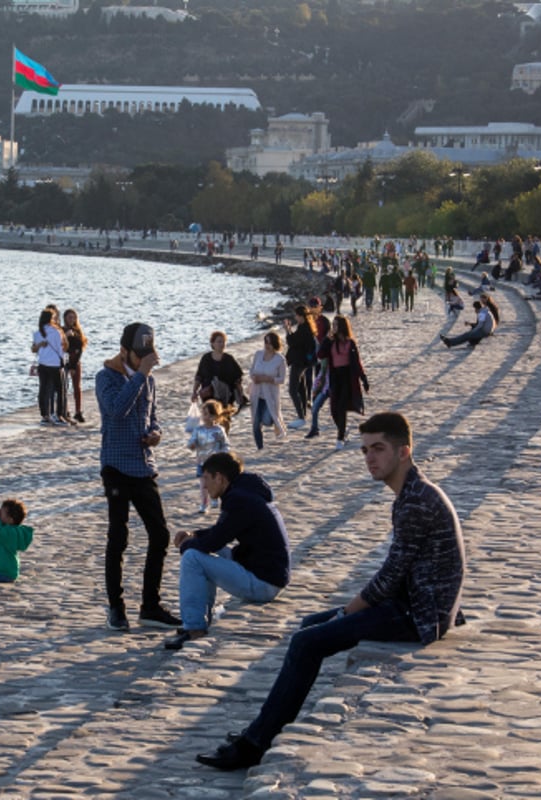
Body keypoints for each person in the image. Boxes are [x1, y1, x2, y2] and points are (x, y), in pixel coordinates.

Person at [196, 412, 466, 771]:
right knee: (310, 625)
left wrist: (348, 611)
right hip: (413, 602)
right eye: (365, 450)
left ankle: (254, 744)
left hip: (419, 614)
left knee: (307, 642)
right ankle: (264, 728)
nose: (370, 458)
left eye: (379, 449)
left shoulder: (415, 501)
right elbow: (396, 574)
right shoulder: (412, 492)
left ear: (404, 452)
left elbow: (390, 576)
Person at [96, 322, 182, 632]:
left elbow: (152, 417)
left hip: (143, 465)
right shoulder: (105, 378)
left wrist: (156, 434)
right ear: (124, 351)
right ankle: (116, 608)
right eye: (140, 355)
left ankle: (150, 605)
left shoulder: (150, 381)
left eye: (149, 355)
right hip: (116, 467)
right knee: (118, 537)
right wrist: (142, 375)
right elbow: (117, 410)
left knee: (159, 534)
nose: (145, 360)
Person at [165, 452, 291, 650]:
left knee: (192, 558)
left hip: (263, 583)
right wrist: (195, 535)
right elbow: (222, 532)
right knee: (201, 551)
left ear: (220, 478)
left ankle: (194, 627)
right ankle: (201, 616)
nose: (204, 486)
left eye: (206, 478)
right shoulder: (246, 491)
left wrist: (186, 545)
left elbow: (213, 542)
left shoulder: (238, 499)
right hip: (266, 572)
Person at [317, 316, 369, 450]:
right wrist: (326, 340)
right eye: (332, 325)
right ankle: (342, 429)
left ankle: (340, 437)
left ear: (342, 326)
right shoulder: (330, 342)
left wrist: (363, 379)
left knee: (342, 407)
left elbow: (357, 363)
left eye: (336, 325)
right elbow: (320, 355)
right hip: (335, 377)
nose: (333, 328)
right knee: (334, 409)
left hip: (347, 377)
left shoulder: (350, 343)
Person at [192, 331, 247, 423]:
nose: (221, 344)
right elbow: (199, 376)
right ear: (212, 343)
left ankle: (223, 435)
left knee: (224, 419)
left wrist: (240, 394)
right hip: (208, 395)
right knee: (210, 418)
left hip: (226, 396)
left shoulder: (229, 359)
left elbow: (237, 379)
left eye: (223, 342)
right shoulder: (206, 359)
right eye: (219, 342)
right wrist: (194, 392)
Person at [187, 400, 231, 514]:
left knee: (217, 483)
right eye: (204, 413)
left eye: (208, 414)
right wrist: (192, 445)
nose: (205, 417)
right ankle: (203, 504)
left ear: (215, 416)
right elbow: (191, 442)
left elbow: (226, 444)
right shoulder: (198, 430)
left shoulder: (219, 430)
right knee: (203, 485)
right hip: (202, 462)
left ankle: (215, 498)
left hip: (216, 463)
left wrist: (222, 454)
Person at [249, 332, 288, 450]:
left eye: (270, 343)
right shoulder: (258, 354)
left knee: (267, 419)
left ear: (275, 344)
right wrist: (254, 377)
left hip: (270, 394)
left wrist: (268, 379)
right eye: (266, 342)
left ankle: (275, 425)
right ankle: (260, 447)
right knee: (255, 424)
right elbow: (251, 371)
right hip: (256, 392)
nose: (267, 345)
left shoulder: (280, 359)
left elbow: (282, 379)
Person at [282, 306, 316, 429]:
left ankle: (301, 417)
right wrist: (290, 330)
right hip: (303, 362)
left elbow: (292, 342)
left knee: (293, 389)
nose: (295, 317)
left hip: (299, 362)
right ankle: (303, 416)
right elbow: (295, 341)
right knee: (301, 387)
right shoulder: (306, 327)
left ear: (300, 316)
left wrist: (287, 330)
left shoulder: (304, 329)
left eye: (296, 315)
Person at [32, 308, 67, 425]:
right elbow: (60, 348)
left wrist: (41, 345)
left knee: (43, 390)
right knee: (60, 390)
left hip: (42, 364)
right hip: (55, 364)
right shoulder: (56, 332)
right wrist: (63, 361)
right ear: (51, 319)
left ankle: (45, 415)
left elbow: (34, 349)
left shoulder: (37, 333)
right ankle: (59, 415)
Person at [62, 308, 89, 423]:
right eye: (69, 317)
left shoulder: (78, 331)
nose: (72, 320)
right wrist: (66, 335)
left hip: (75, 360)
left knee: (77, 387)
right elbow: (60, 346)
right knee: (64, 387)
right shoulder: (62, 331)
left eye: (74, 317)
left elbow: (81, 348)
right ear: (65, 318)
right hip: (64, 361)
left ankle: (78, 411)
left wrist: (73, 365)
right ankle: (65, 410)